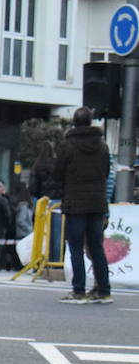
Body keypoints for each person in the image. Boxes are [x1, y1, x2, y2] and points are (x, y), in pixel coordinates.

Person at [55, 107, 113, 304]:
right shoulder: (103, 146)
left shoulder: (68, 146)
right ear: (90, 121)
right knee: (97, 246)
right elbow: (106, 172)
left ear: (74, 122)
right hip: (97, 202)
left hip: (75, 202)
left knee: (76, 246)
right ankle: (104, 289)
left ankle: (78, 289)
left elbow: (57, 173)